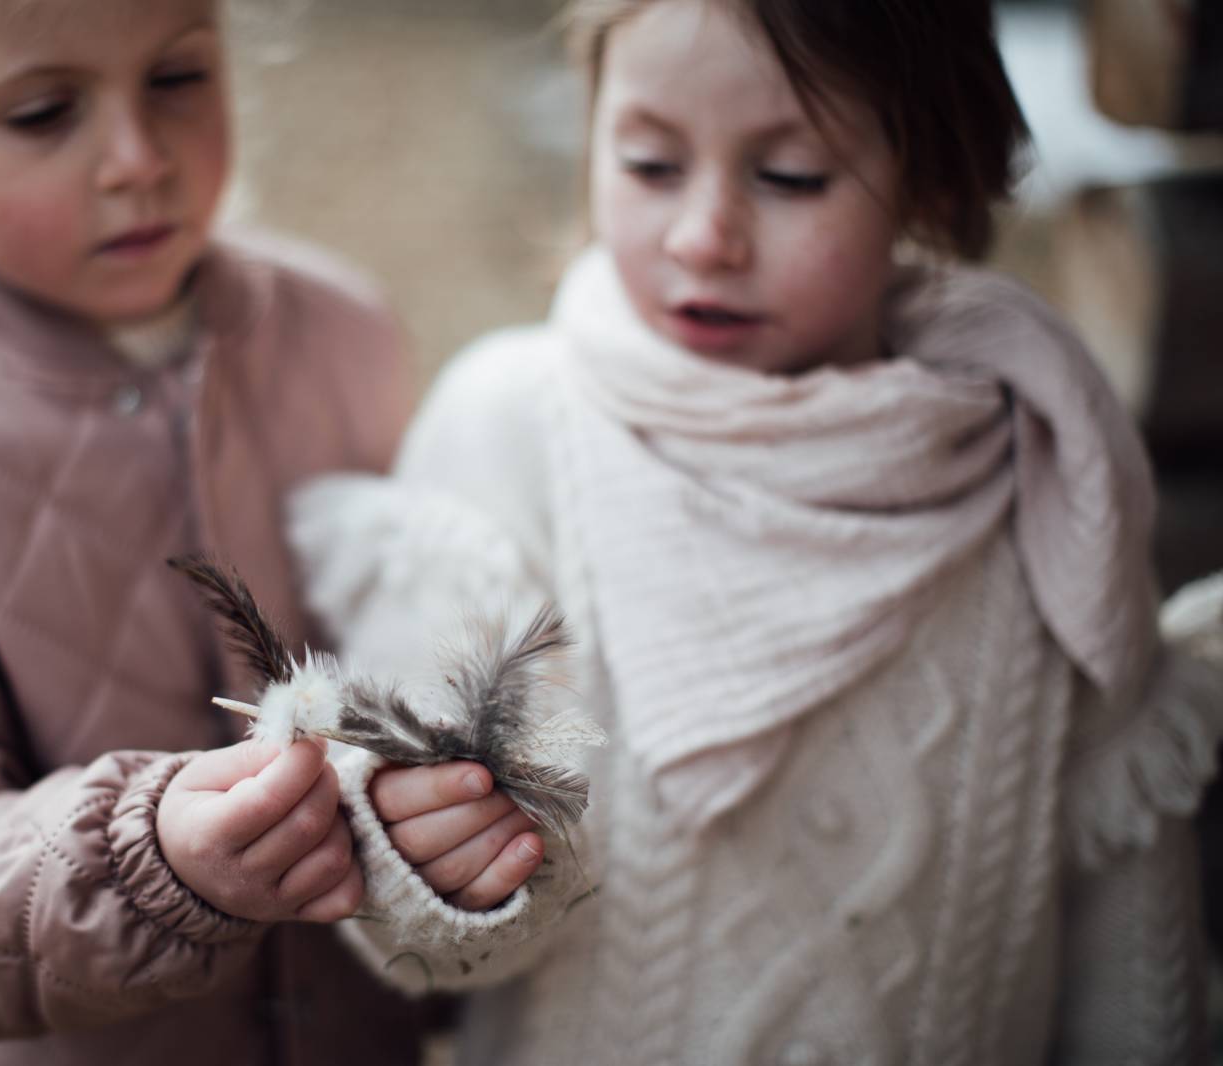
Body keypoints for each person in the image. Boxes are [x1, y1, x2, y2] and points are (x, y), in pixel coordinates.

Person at [286, 1, 1223, 1063]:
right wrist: (441, 866)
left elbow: (1126, 915)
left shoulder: (1045, 460)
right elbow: (427, 942)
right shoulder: (513, 438)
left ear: (931, 176)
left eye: (789, 179)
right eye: (648, 163)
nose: (702, 236)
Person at [0, 0, 433, 1062]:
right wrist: (150, 860)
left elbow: (430, 640)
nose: (136, 159)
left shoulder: (342, 332)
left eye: (176, 78)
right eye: (45, 111)